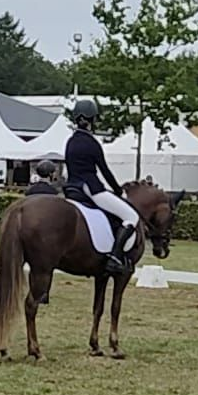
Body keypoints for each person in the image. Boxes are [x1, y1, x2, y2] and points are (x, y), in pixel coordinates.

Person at [64, 98, 138, 274]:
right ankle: (115, 257)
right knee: (131, 216)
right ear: (93, 119)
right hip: (91, 188)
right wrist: (119, 191)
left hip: (72, 188)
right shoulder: (92, 143)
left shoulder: (70, 142)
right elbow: (104, 170)